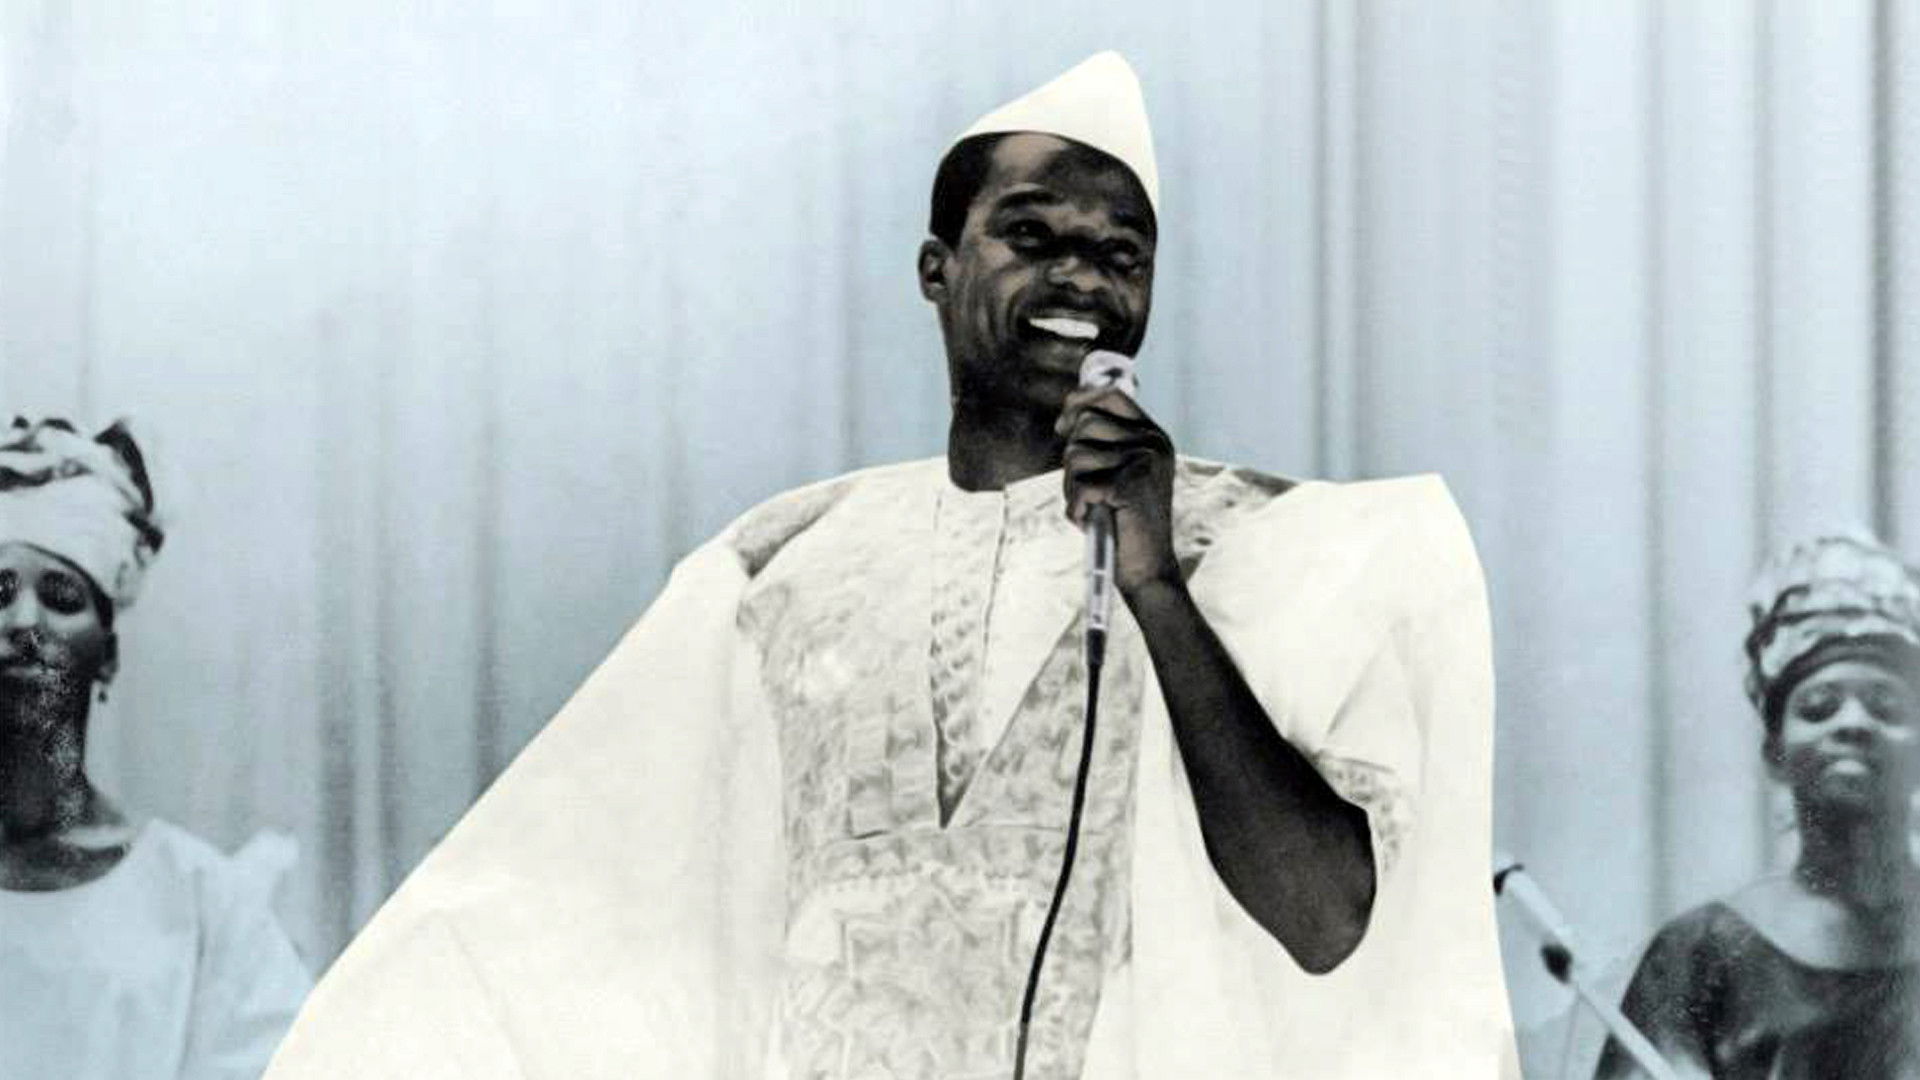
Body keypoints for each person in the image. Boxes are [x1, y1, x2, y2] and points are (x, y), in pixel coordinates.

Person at [265, 52, 1516, 1078]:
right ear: (937, 269)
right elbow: (551, 909)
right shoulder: (787, 568)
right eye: (1032, 234)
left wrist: (1152, 581)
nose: (1081, 275)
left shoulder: (1257, 548)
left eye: (1120, 253)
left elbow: (1328, 921)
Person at [0, 417, 313, 1080]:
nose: (24, 622)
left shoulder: (203, 903)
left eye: (61, 597)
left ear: (107, 655)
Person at [1596, 532, 1920, 1079]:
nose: (1853, 723)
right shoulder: (1699, 954)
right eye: (1818, 707)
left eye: (1886, 706)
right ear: (1775, 753)